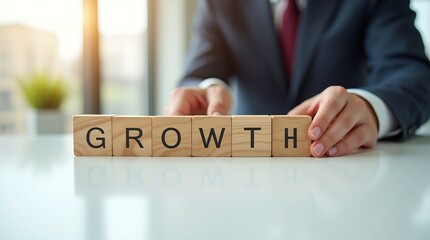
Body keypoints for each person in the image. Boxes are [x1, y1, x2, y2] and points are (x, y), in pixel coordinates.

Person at [166, 0, 430, 157]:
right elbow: (199, 74)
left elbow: (414, 75)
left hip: (344, 172)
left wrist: (370, 107)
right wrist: (206, 88)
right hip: (247, 174)